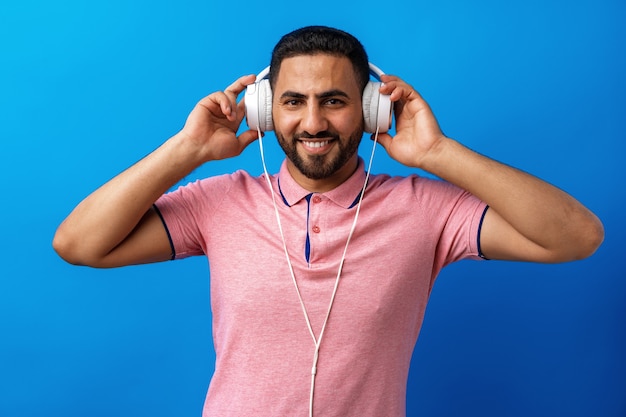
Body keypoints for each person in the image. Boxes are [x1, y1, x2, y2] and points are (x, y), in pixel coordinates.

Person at [53, 26, 603, 417]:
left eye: (335, 101)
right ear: (268, 111)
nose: (313, 122)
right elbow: (79, 244)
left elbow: (578, 236)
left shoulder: (426, 209)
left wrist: (437, 152)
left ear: (370, 111)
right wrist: (187, 149)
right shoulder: (219, 203)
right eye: (292, 101)